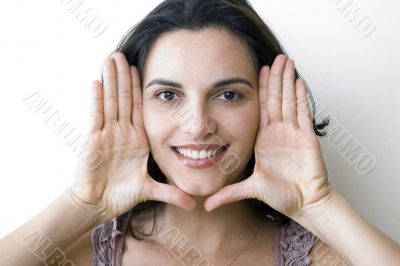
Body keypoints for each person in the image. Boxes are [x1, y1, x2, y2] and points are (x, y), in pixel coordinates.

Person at [1, 0, 399, 265]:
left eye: (228, 94)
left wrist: (319, 206)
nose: (198, 124)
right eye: (168, 95)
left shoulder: (319, 256)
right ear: (134, 109)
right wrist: (82, 204)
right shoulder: (82, 253)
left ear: (267, 106)